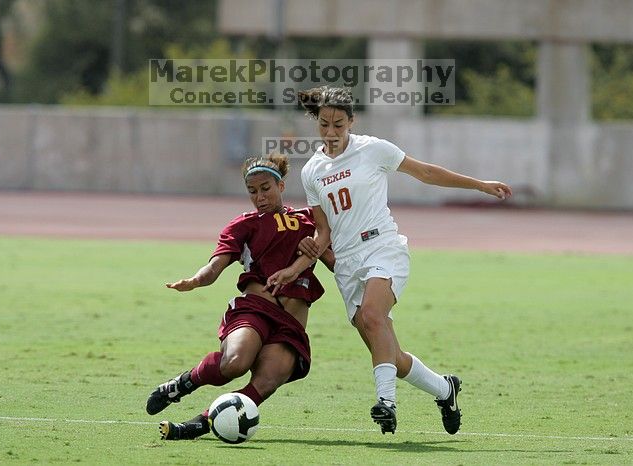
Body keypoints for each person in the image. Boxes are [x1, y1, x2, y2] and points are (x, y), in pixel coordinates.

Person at [267, 86, 512, 435]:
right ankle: (446, 389)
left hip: (383, 248)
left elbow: (425, 172)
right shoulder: (312, 171)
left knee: (372, 314)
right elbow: (323, 234)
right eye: (324, 125)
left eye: (339, 124)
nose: (331, 133)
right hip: (348, 264)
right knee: (391, 356)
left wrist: (479, 185)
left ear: (352, 121)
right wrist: (296, 266)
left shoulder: (373, 149)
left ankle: (386, 403)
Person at [147, 154, 334, 440]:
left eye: (265, 188)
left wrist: (319, 247)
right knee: (235, 362)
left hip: (291, 324)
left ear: (281, 186)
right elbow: (215, 266)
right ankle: (182, 384)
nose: (259, 196)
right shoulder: (243, 225)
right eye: (252, 191)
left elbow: (336, 263)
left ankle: (202, 423)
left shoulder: (310, 221)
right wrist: (196, 281)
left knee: (268, 380)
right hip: (255, 309)